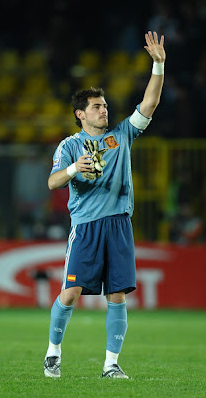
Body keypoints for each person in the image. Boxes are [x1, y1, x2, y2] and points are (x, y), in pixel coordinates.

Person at [43, 31, 166, 379]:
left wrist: (158, 65)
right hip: (85, 227)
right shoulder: (69, 146)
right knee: (70, 293)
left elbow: (151, 104)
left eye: (105, 106)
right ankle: (53, 354)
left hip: (119, 225)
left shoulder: (122, 135)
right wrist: (73, 169)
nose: (104, 110)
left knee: (117, 296)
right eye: (97, 107)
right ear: (81, 114)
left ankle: (111, 365)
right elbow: (52, 182)